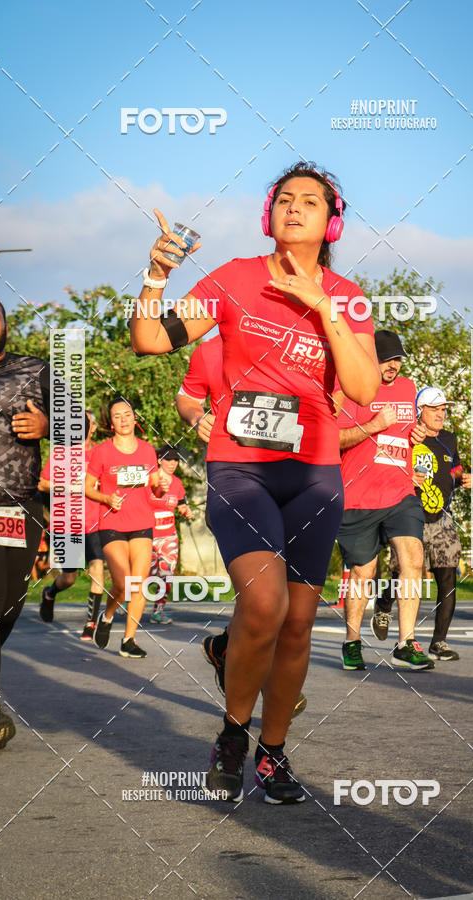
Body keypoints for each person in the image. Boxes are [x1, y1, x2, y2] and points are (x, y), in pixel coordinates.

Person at [131, 161, 380, 804]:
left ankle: (274, 753)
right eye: (285, 199)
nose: (296, 208)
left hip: (316, 474)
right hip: (241, 467)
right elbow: (151, 339)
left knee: (297, 624)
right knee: (264, 604)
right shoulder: (235, 279)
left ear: (333, 223)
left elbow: (362, 388)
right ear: (268, 212)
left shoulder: (348, 295)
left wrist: (321, 306)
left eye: (311, 202)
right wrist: (156, 276)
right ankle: (232, 735)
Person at [176, 339, 307, 718]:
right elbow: (187, 397)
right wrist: (196, 417)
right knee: (265, 596)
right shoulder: (212, 350)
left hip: (295, 482)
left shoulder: (300, 346)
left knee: (273, 598)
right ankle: (265, 690)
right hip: (238, 484)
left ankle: (225, 649)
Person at [336, 329, 434, 672]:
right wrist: (375, 425)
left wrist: (417, 433)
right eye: (385, 358)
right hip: (358, 497)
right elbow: (334, 439)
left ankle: (405, 643)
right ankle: (351, 641)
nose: (392, 365)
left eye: (397, 359)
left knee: (414, 558)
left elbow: (407, 432)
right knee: (364, 572)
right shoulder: (350, 388)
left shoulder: (408, 389)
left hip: (400, 493)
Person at [0, 290, 50, 749]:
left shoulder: (38, 369)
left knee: (8, 604)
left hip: (20, 507)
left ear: (5, 323)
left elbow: (82, 421)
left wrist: (49, 426)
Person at [373, 387, 471, 661]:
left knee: (448, 576)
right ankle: (383, 604)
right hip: (410, 514)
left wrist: (463, 478)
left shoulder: (450, 439)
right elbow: (387, 467)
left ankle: (438, 643)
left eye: (443, 409)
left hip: (443, 518)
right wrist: (406, 479)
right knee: (402, 573)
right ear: (420, 411)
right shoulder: (409, 435)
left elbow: (455, 469)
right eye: (435, 409)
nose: (441, 414)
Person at [84, 397, 163, 659]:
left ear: (134, 418)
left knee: (138, 585)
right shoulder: (102, 451)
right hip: (112, 523)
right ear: (111, 422)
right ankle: (106, 617)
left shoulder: (147, 450)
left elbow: (154, 485)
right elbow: (87, 487)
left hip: (142, 523)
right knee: (122, 583)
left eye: (127, 414)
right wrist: (106, 498)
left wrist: (159, 485)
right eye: (118, 416)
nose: (124, 419)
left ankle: (129, 640)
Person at [38, 411, 106, 640]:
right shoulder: (63, 453)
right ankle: (50, 593)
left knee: (97, 566)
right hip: (67, 522)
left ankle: (91, 624)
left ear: (93, 428)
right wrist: (69, 487)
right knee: (69, 578)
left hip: (95, 522)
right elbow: (43, 483)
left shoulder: (101, 452)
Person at [147, 443, 192, 624]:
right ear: (159, 460)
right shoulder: (150, 479)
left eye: (175, 460)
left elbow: (181, 503)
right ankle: (127, 598)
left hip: (169, 536)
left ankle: (158, 611)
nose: (172, 464)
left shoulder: (178, 483)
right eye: (168, 460)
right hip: (148, 534)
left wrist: (185, 510)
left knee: (166, 574)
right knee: (146, 572)